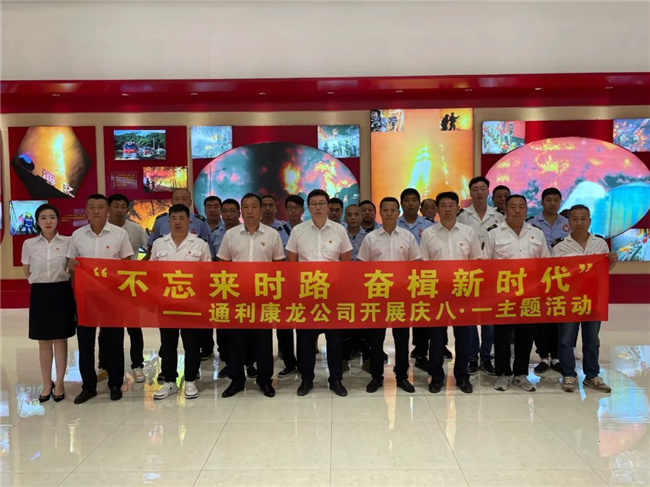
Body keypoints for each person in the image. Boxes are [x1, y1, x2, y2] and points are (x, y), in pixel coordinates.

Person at [218, 193, 286, 398]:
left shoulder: (272, 235)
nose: (250, 211)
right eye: (246, 207)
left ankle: (265, 381)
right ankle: (237, 380)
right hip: (237, 296)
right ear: (241, 211)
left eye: (254, 206)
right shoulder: (231, 235)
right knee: (236, 341)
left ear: (261, 210)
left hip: (263, 297)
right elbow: (223, 265)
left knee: (263, 341)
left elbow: (278, 266)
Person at [68, 194, 134, 404]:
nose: (96, 211)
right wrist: (73, 269)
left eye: (100, 207)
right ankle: (88, 386)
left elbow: (127, 264)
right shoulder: (77, 235)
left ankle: (115, 383)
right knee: (85, 342)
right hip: (86, 297)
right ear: (86, 211)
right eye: (92, 207)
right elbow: (71, 266)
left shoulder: (120, 234)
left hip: (112, 297)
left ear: (107, 211)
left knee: (114, 341)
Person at [286, 189, 353, 397]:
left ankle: (336, 379)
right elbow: (292, 263)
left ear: (327, 206)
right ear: (308, 207)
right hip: (307, 293)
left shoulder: (339, 230)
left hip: (332, 293)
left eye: (321, 203)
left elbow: (346, 263)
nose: (318, 207)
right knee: (305, 340)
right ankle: (306, 379)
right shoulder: (298, 231)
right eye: (313, 203)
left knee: (334, 340)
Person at [484, 194, 550, 392]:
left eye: (521, 206)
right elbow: (485, 263)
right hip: (502, 293)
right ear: (505, 209)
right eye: (513, 206)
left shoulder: (536, 233)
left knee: (526, 335)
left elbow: (545, 262)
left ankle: (521, 374)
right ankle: (503, 374)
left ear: (526, 210)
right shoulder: (494, 233)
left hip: (529, 293)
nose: (517, 210)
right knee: (502, 336)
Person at [358, 197, 421, 394]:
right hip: (377, 294)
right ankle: (376, 376)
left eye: (393, 210)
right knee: (376, 339)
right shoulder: (371, 238)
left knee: (401, 338)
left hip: (401, 295)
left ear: (398, 212)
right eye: (385, 210)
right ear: (380, 212)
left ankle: (402, 376)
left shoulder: (407, 237)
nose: (389, 213)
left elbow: (416, 265)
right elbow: (362, 267)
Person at [420, 192, 481, 394]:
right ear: (437, 209)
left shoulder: (468, 232)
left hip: (462, 291)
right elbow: (424, 265)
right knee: (437, 338)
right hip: (437, 292)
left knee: (463, 337)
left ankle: (462, 377)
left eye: (451, 205)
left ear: (457, 208)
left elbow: (476, 261)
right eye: (443, 205)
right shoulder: (428, 234)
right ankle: (436, 377)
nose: (447, 209)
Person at [552, 205, 617, 393]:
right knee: (566, 338)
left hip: (593, 298)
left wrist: (611, 263)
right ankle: (568, 374)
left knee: (592, 339)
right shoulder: (559, 246)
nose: (579, 223)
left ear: (589, 221)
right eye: (575, 219)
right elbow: (553, 274)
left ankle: (592, 375)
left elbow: (603, 272)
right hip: (568, 299)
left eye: (583, 219)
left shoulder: (600, 244)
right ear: (568, 222)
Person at [151, 204, 211, 400]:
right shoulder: (159, 244)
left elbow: (207, 274)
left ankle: (191, 379)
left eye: (181, 218)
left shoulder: (200, 244)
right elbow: (151, 272)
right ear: (168, 221)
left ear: (188, 221)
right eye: (174, 218)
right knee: (168, 343)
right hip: (166, 301)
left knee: (191, 343)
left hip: (192, 303)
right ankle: (170, 381)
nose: (177, 222)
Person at [22, 203, 75, 403]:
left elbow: (72, 270)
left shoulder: (68, 242)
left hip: (61, 292)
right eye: (43, 218)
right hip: (40, 293)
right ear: (37, 221)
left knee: (60, 340)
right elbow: (27, 271)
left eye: (52, 217)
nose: (48, 221)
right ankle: (47, 383)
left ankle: (59, 383)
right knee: (43, 341)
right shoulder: (29, 244)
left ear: (58, 220)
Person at [458, 176, 505, 375]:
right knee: (469, 317)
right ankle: (472, 357)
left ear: (488, 191)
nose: (479, 192)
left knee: (489, 317)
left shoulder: (499, 217)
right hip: (468, 273)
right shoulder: (462, 217)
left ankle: (486, 356)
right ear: (470, 192)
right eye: (475, 189)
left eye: (482, 188)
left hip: (491, 273)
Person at [528, 188, 570, 374]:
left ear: (560, 202)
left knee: (558, 316)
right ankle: (543, 356)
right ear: (542, 202)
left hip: (562, 278)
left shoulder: (568, 223)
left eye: (556, 200)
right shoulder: (531, 224)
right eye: (549, 200)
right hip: (537, 278)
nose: (552, 203)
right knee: (540, 318)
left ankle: (557, 356)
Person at [107, 193, 147, 383]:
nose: (120, 210)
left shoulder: (135, 229)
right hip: (106, 286)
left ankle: (137, 364)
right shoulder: (102, 229)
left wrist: (140, 268)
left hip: (130, 284)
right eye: (116, 206)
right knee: (107, 328)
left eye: (123, 206)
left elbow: (149, 248)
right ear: (109, 208)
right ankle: (105, 364)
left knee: (134, 327)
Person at [397, 188, 436, 369]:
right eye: (407, 200)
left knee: (422, 315)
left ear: (419, 203)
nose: (410, 203)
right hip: (399, 279)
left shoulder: (429, 226)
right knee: (402, 316)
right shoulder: (393, 224)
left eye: (414, 200)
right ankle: (401, 356)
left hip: (423, 278)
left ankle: (421, 352)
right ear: (401, 203)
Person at [275, 195, 304, 377]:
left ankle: (304, 361)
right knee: (284, 325)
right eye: (290, 208)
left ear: (302, 210)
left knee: (303, 325)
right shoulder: (277, 232)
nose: (293, 211)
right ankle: (289, 362)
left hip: (305, 285)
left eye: (297, 208)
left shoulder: (308, 231)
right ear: (285, 210)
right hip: (283, 285)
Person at [145, 188, 210, 252]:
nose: (180, 202)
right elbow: (151, 246)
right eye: (177, 199)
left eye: (184, 199)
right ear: (171, 201)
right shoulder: (160, 221)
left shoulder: (200, 222)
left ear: (190, 202)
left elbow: (207, 247)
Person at [201, 195, 226, 361]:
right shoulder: (198, 226)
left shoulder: (229, 230)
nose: (212, 210)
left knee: (222, 314)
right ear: (204, 209)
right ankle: (206, 348)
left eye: (216, 206)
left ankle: (224, 349)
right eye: (209, 207)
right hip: (202, 279)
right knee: (205, 314)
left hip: (223, 279)